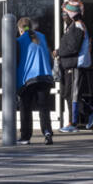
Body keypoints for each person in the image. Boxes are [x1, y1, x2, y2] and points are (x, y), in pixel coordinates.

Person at [15, 16, 54, 144]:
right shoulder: (42, 37)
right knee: (44, 108)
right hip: (45, 76)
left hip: (28, 79)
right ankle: (47, 133)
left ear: (20, 29)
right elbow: (49, 57)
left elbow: (16, 62)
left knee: (25, 108)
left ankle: (25, 136)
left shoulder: (19, 41)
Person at [55, 0, 89, 131]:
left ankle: (73, 123)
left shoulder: (78, 27)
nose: (63, 17)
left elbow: (73, 48)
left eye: (65, 14)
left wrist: (58, 52)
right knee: (66, 93)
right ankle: (90, 111)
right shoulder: (72, 27)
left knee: (72, 95)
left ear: (72, 15)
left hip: (75, 65)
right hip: (68, 65)